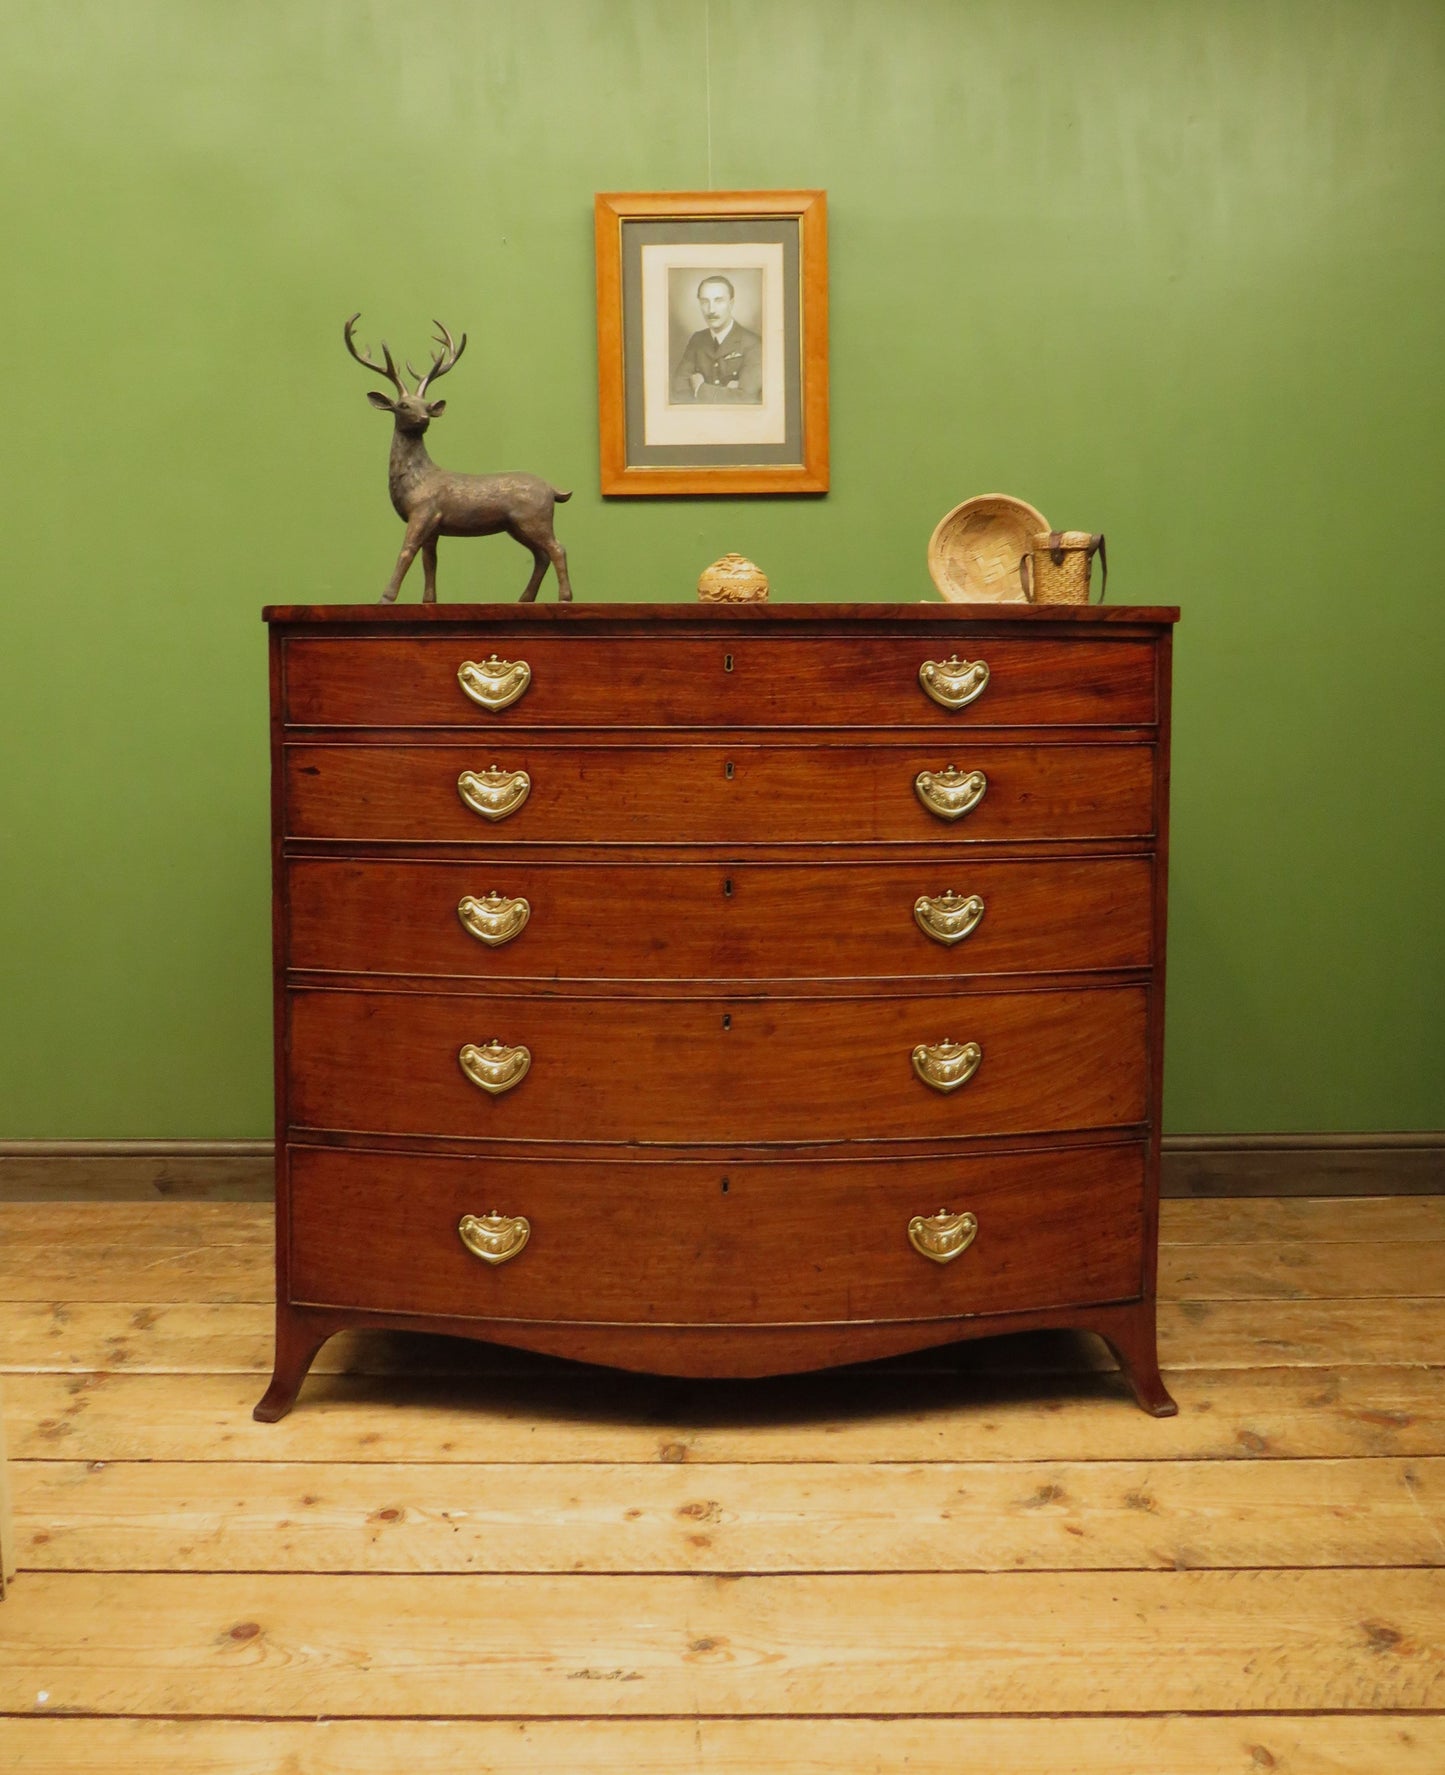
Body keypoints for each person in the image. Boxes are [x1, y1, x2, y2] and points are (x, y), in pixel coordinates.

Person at [670, 275, 762, 403]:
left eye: (718, 301)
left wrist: (699, 389)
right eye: (704, 302)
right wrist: (727, 393)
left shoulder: (753, 343)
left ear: (731, 304)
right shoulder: (697, 340)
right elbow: (678, 391)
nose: (711, 310)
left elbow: (746, 399)